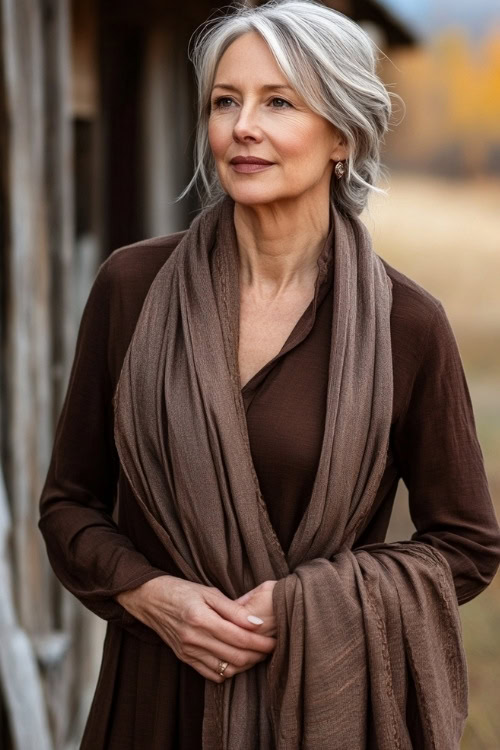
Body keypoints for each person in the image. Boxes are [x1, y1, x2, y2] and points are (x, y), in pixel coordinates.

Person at [38, 1, 500, 748]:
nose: (241, 126)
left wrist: (306, 607)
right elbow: (68, 507)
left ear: (342, 136)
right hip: (153, 705)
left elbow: (468, 546)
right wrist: (152, 594)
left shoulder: (406, 325)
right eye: (226, 101)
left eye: (278, 101)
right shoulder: (132, 288)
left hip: (320, 710)